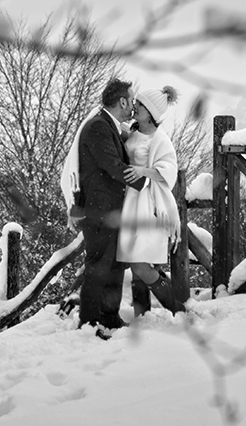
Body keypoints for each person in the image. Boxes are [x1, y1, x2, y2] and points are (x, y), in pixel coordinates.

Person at [69, 78, 135, 335]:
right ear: (122, 101)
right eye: (131, 100)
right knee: (98, 268)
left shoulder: (109, 125)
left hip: (112, 211)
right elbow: (112, 166)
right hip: (99, 212)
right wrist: (149, 180)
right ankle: (89, 322)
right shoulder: (98, 126)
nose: (132, 105)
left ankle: (110, 317)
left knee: (115, 266)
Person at [117, 85, 184, 315]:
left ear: (151, 112)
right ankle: (142, 314)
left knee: (141, 265)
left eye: (140, 104)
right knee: (136, 263)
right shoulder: (133, 132)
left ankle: (177, 308)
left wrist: (143, 172)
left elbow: (168, 171)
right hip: (131, 203)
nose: (134, 106)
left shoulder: (160, 139)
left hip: (147, 205)